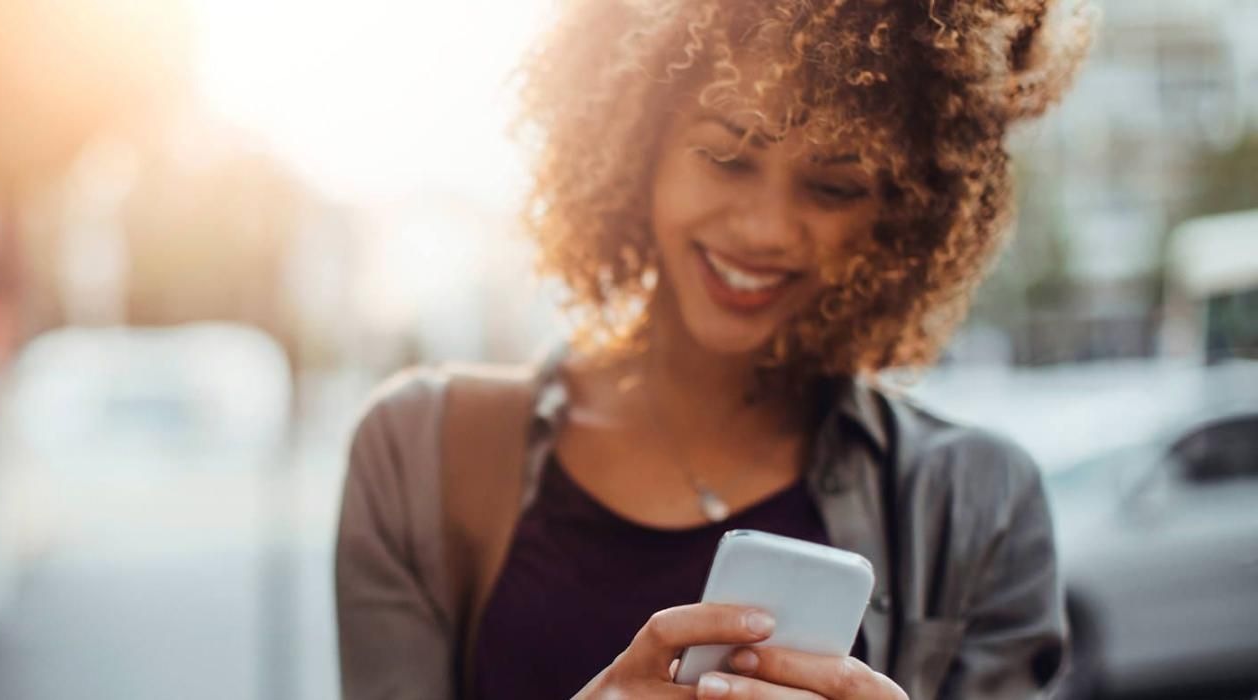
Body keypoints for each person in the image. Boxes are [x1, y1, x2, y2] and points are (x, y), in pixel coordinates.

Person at [335, 0, 1094, 698]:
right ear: (637, 145)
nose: (765, 228)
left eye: (832, 188)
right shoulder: (421, 455)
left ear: (902, 215)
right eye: (728, 157)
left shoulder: (981, 504)